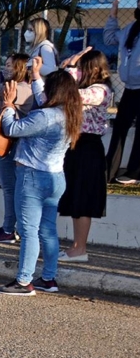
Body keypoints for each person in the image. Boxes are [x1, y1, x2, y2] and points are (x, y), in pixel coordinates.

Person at [0, 71, 83, 295]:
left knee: (28, 231)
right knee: (48, 231)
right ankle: (49, 278)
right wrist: (35, 76)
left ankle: (24, 281)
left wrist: (8, 106)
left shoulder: (45, 116)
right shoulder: (69, 114)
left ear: (54, 90)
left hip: (32, 177)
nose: (43, 91)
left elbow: (11, 129)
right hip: (55, 177)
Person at [53, 49, 112, 263]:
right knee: (75, 199)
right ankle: (76, 247)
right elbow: (62, 83)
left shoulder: (100, 90)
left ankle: (80, 248)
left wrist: (69, 68)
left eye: (81, 67)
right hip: (76, 145)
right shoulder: (85, 85)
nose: (78, 70)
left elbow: (70, 92)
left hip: (88, 147)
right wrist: (68, 66)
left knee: (84, 199)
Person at [0, 47, 35, 243]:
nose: (5, 69)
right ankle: (13, 228)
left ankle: (8, 229)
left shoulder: (19, 90)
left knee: (9, 188)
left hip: (8, 146)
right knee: (13, 188)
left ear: (19, 69)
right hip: (15, 146)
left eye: (9, 65)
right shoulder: (22, 88)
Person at [103, 0, 140, 184]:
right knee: (119, 127)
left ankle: (134, 173)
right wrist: (113, 13)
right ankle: (109, 171)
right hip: (130, 88)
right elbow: (109, 38)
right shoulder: (130, 30)